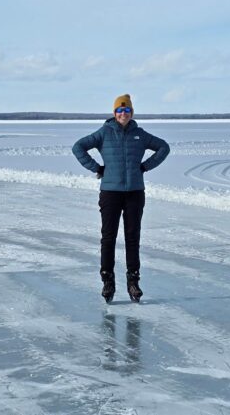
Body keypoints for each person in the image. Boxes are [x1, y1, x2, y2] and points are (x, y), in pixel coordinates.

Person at [72, 94, 170, 303]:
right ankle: (108, 281)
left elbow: (164, 147)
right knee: (108, 238)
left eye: (127, 111)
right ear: (114, 113)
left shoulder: (139, 134)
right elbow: (78, 147)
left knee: (132, 238)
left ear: (131, 113)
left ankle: (133, 282)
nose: (123, 114)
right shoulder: (105, 132)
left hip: (135, 192)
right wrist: (97, 168)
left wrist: (145, 166)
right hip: (110, 193)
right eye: (119, 111)